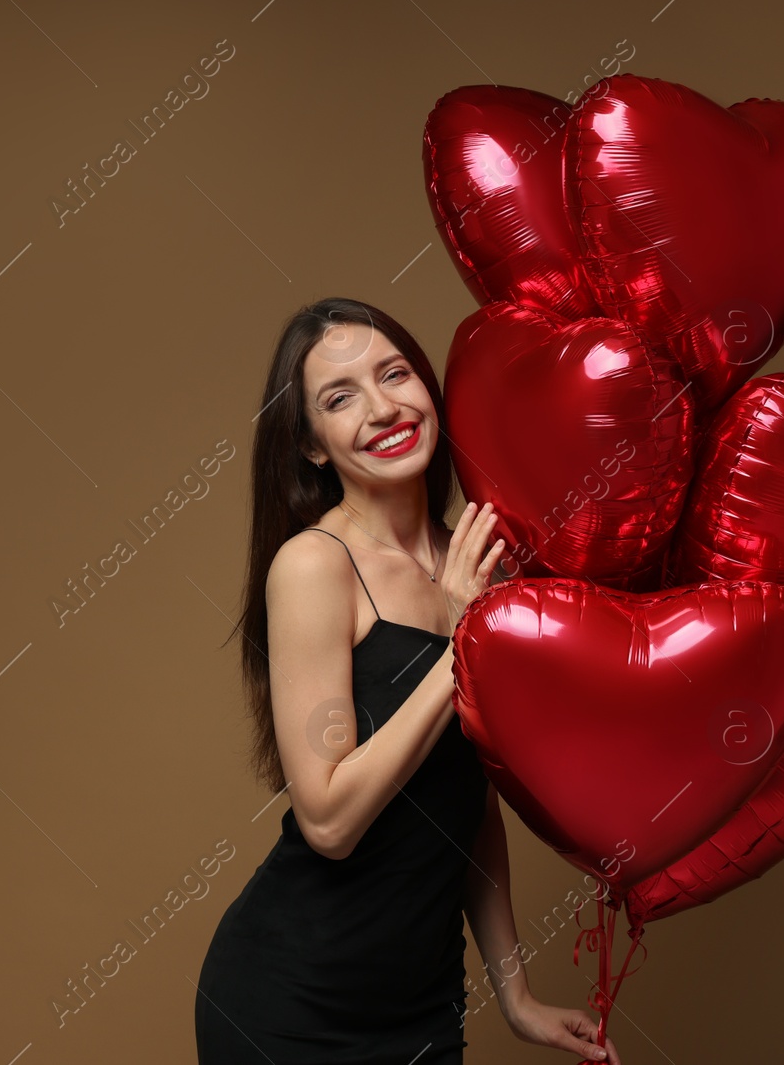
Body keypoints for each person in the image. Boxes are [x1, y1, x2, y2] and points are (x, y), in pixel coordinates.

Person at [195, 297, 622, 1064]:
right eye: (340, 396)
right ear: (312, 447)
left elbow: (470, 802)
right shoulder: (316, 566)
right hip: (291, 1003)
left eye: (395, 373)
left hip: (422, 1008)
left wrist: (515, 995)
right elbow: (328, 821)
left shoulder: (475, 557)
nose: (382, 406)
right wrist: (460, 640)